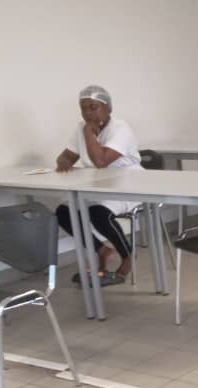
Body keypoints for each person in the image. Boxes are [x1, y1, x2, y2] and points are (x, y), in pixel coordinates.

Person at [55, 84, 142, 286]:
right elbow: (65, 156)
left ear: (108, 108)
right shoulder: (80, 128)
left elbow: (101, 161)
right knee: (63, 212)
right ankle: (101, 250)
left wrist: (89, 133)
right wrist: (64, 162)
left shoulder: (121, 128)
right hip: (97, 184)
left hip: (128, 183)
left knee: (98, 212)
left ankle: (128, 256)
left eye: (93, 107)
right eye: (83, 108)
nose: (87, 113)